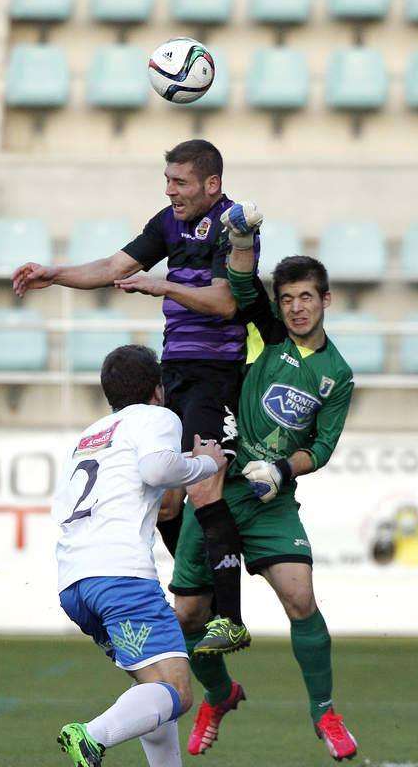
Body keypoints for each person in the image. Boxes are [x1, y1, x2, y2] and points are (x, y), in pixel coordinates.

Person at [12, 139, 262, 652]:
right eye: (168, 180)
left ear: (211, 184)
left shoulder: (236, 225)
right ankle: (197, 595)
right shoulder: (168, 222)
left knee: (205, 478)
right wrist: (55, 274)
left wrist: (163, 287)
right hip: (176, 370)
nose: (170, 190)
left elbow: (224, 302)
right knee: (169, 499)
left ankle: (230, 615)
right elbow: (114, 267)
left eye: (180, 182)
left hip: (217, 374)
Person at [169, 214, 358, 761]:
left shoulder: (338, 375)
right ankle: (218, 694)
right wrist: (243, 239)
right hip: (219, 490)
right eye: (289, 298)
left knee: (301, 598)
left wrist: (282, 472)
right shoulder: (268, 330)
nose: (298, 307)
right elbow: (245, 285)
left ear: (327, 300)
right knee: (188, 618)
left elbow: (320, 448)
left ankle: (324, 712)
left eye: (307, 297)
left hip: (272, 500)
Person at [53, 344, 226, 767]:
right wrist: (205, 465)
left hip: (76, 583)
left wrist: (177, 473)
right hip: (121, 579)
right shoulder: (157, 416)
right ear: (158, 388)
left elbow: (163, 504)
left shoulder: (91, 434)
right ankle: (90, 735)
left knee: (154, 692)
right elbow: (156, 470)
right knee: (178, 693)